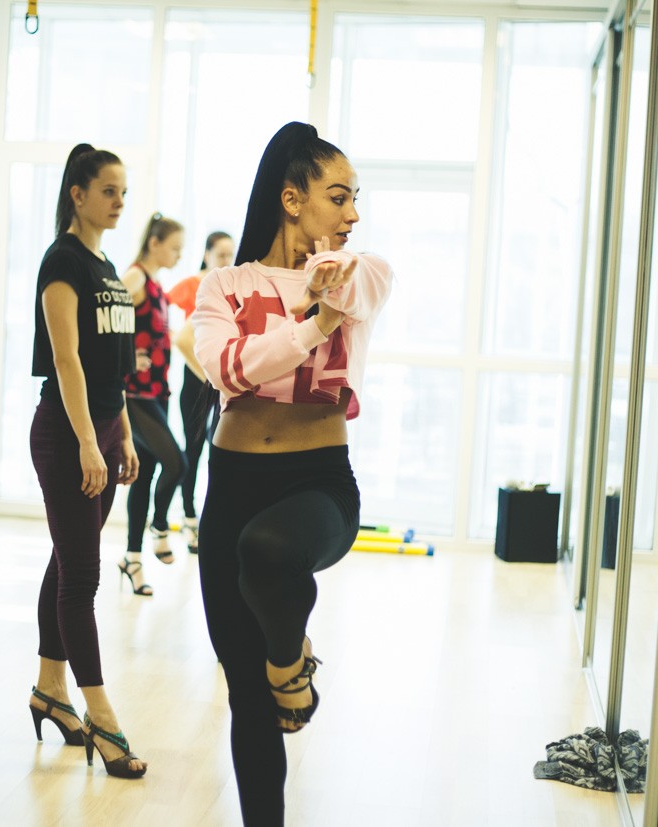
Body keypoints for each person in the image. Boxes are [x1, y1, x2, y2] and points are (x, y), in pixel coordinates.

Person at [190, 122, 393, 825]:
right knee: (246, 698)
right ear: (291, 198)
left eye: (356, 198)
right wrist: (312, 323)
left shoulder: (362, 272)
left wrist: (328, 291)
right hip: (232, 486)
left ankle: (290, 662)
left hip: (319, 485)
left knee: (270, 550)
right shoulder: (224, 285)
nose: (353, 213)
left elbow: (354, 286)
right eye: (339, 196)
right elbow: (229, 370)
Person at [27, 143, 146, 779]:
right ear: (78, 194)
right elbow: (67, 359)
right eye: (108, 190)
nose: (120, 201)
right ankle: (102, 717)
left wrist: (120, 434)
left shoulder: (107, 267)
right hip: (67, 433)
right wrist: (88, 442)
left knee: (67, 562)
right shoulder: (63, 262)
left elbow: (110, 370)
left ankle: (50, 689)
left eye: (123, 191)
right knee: (83, 578)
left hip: (99, 431)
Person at [119, 212, 186, 595]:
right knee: (177, 463)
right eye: (174, 247)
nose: (178, 255)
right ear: (154, 243)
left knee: (144, 477)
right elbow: (103, 319)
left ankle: (132, 559)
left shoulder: (156, 283)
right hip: (135, 395)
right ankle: (160, 527)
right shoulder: (135, 278)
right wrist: (127, 354)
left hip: (157, 392)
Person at [166, 231, 235, 553]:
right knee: (192, 450)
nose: (226, 261)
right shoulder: (196, 285)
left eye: (230, 255)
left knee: (216, 448)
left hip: (218, 376)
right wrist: (209, 376)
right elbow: (176, 333)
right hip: (198, 377)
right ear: (207, 254)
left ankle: (209, 520)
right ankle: (189, 518)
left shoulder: (229, 286)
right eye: (221, 255)